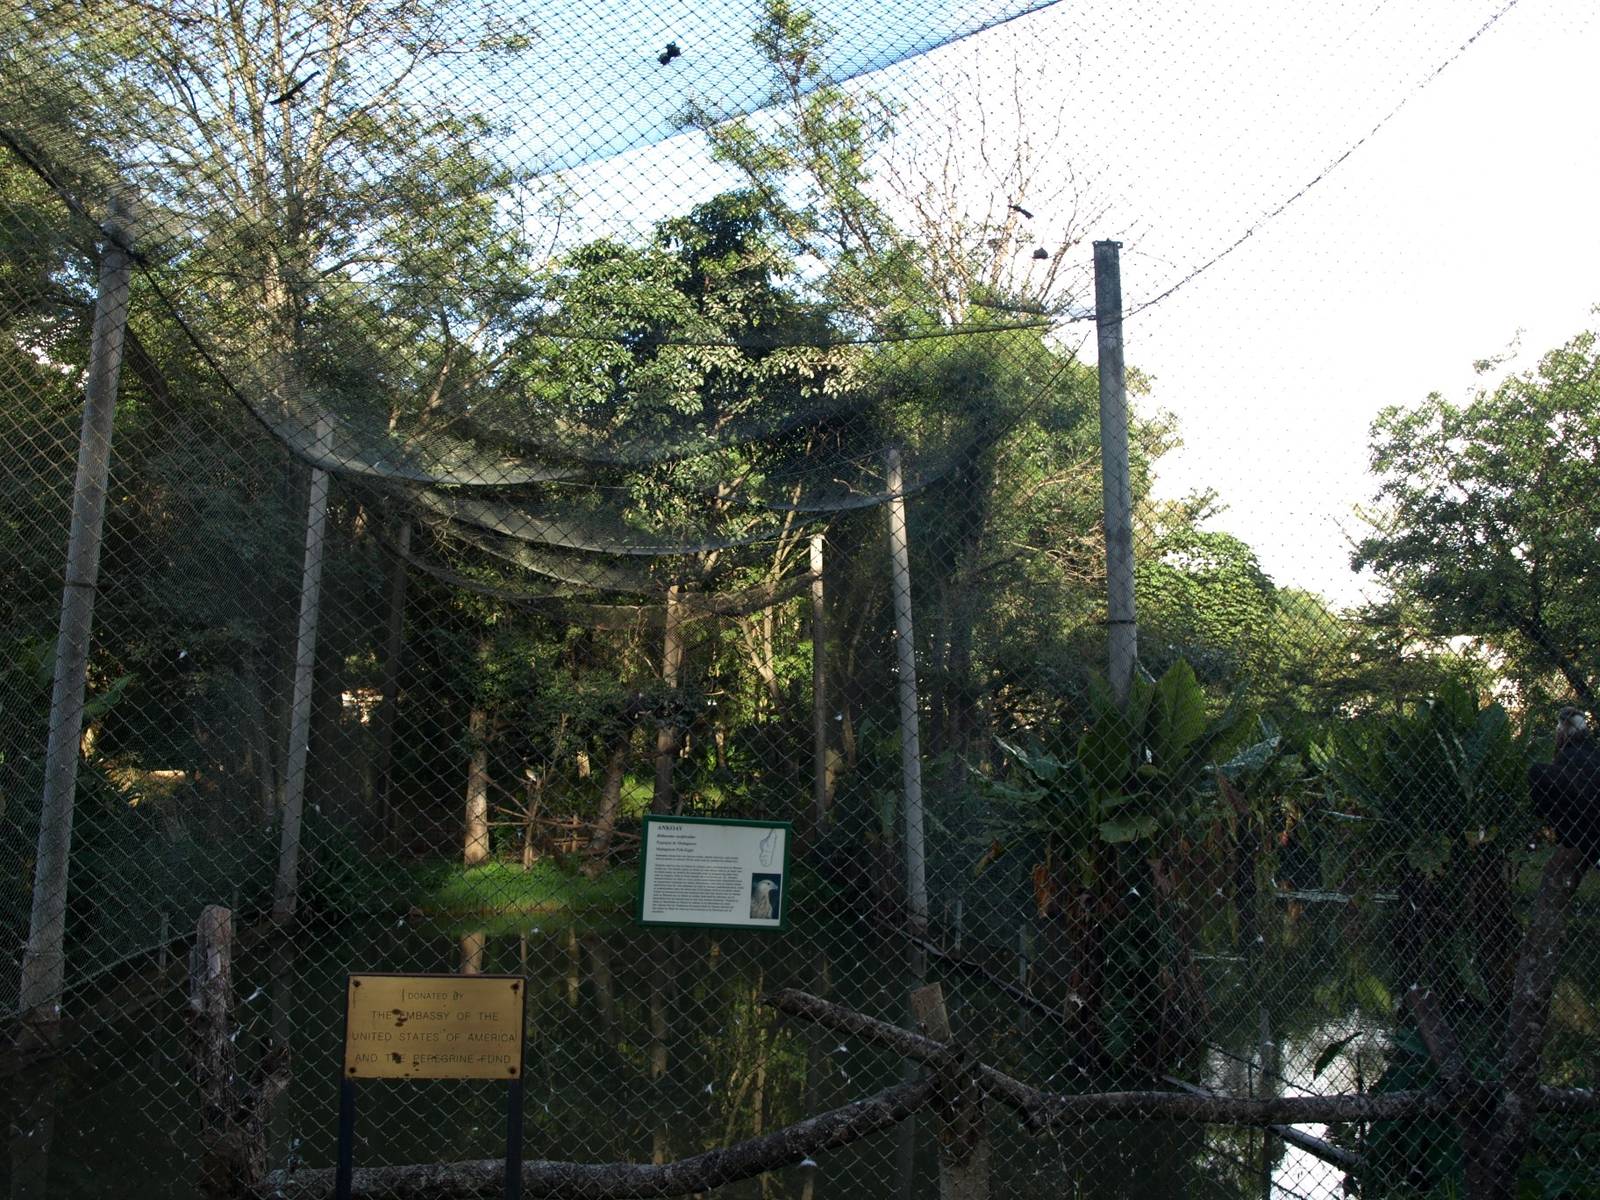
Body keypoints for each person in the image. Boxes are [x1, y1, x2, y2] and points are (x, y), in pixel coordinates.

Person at [1529, 706, 1600, 864]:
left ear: (1563, 729)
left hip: (1578, 827)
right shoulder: (1593, 754)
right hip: (1589, 824)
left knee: (1536, 770)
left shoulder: (1566, 758)